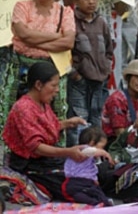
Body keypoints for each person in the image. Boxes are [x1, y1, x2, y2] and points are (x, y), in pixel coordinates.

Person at [0, 0, 75, 141]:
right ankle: (6, 158)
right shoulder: (21, 6)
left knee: (56, 113)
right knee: (9, 111)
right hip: (20, 68)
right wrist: (55, 37)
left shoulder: (65, 12)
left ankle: (54, 157)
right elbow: (22, 34)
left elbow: (69, 42)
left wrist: (32, 39)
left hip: (52, 70)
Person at [2, 61, 87, 201]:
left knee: (86, 169)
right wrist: (69, 151)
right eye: (53, 85)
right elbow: (36, 147)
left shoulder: (42, 104)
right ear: (39, 85)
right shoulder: (23, 108)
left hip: (46, 159)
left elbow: (45, 128)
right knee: (75, 185)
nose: (57, 90)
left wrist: (67, 123)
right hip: (29, 164)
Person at [66, 0, 113, 147]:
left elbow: (109, 49)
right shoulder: (70, 21)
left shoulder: (101, 23)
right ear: (76, 0)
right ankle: (76, 157)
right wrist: (75, 75)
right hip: (79, 81)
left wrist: (106, 69)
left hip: (99, 81)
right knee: (79, 120)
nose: (91, 1)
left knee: (97, 118)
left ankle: (95, 158)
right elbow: (65, 52)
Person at [102, 59, 138, 148]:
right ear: (129, 78)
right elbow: (120, 135)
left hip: (136, 145)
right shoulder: (117, 99)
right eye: (137, 77)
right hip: (116, 147)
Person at [63, 126, 114, 206]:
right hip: (76, 183)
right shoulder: (82, 150)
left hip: (88, 183)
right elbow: (92, 151)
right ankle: (96, 204)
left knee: (100, 197)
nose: (102, 149)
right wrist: (106, 154)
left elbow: (91, 170)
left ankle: (103, 203)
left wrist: (95, 179)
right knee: (88, 199)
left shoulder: (89, 156)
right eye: (102, 147)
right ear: (92, 143)